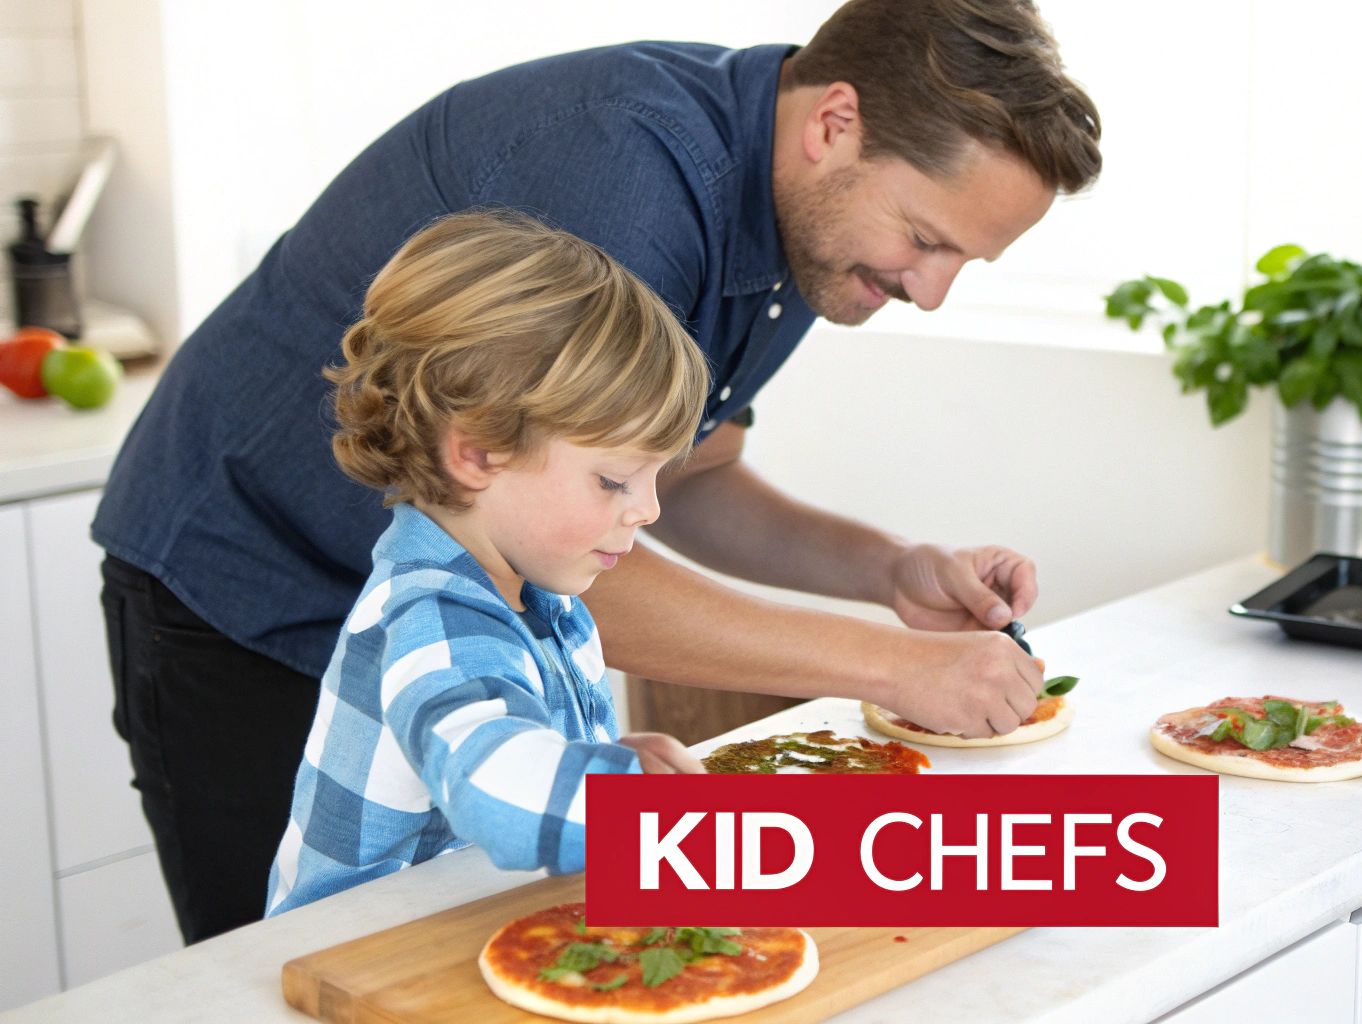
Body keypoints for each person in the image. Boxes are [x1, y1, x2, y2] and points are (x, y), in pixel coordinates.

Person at [94, 0, 1102, 941]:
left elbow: (689, 479)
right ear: (834, 122)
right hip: (243, 588)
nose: (927, 291)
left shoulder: (796, 230)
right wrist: (891, 665)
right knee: (290, 970)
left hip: (431, 592)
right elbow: (551, 544)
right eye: (925, 239)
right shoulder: (619, 179)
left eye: (963, 262)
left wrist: (887, 572)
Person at [267, 209, 708, 915]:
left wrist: (604, 762)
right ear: (476, 454)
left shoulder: (536, 592)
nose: (647, 510)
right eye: (614, 481)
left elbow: (509, 751)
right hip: (358, 962)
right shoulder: (431, 615)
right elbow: (501, 795)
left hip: (454, 933)